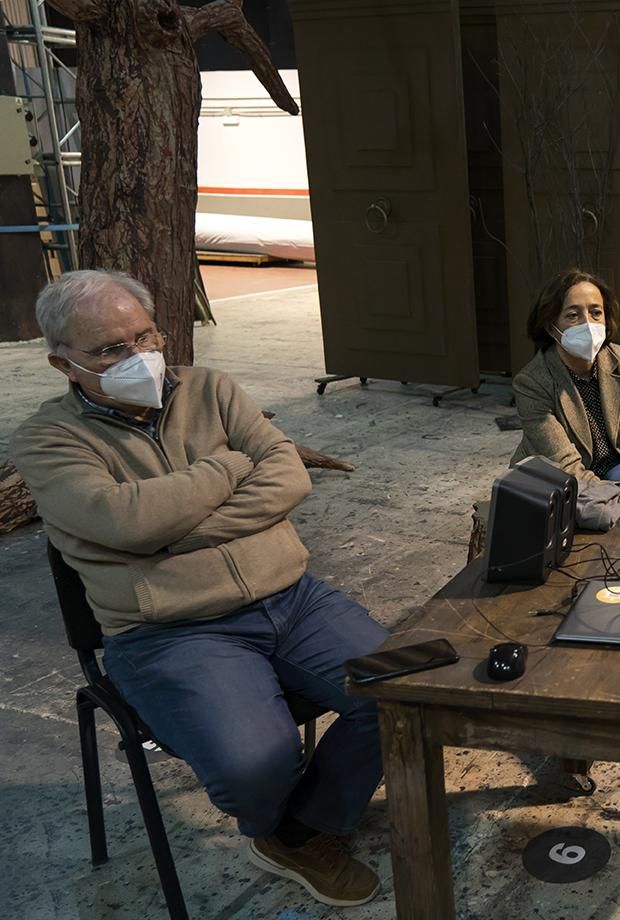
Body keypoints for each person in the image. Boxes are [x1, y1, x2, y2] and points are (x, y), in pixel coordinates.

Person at [12, 270, 388, 908]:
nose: (138, 357)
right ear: (62, 364)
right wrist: (229, 465)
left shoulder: (210, 388)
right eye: (109, 350)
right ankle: (273, 821)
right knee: (253, 766)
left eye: (144, 336)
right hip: (168, 632)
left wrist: (169, 537)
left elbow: (288, 478)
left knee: (406, 693)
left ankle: (299, 829)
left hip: (291, 598)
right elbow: (125, 521)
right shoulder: (47, 441)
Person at [510, 269, 620, 495]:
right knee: (586, 511)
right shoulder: (532, 382)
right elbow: (566, 466)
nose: (587, 324)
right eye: (573, 315)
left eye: (596, 313)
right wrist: (610, 503)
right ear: (552, 326)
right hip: (556, 476)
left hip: (616, 463)